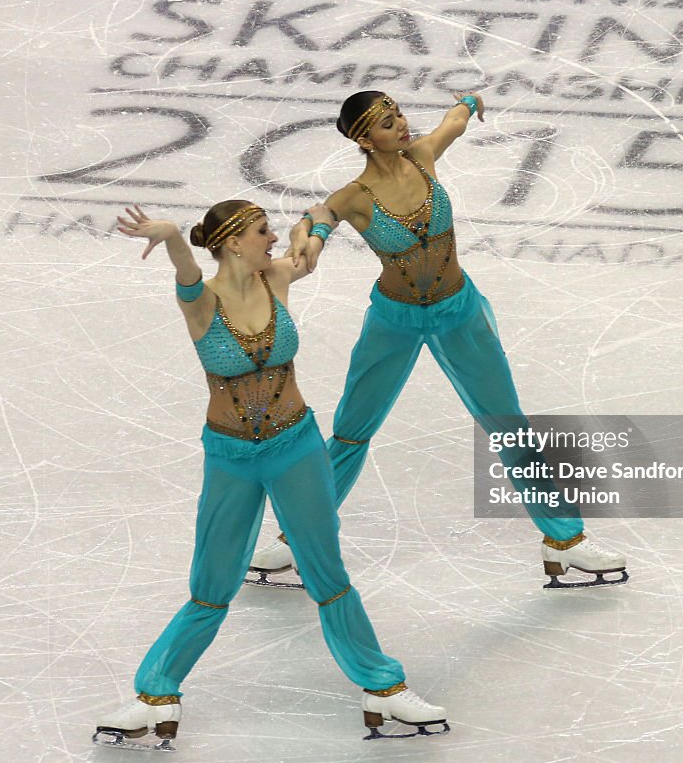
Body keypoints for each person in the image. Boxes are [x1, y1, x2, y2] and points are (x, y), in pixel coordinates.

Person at [93, 201, 448, 751]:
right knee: (210, 585)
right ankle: (154, 695)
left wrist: (318, 222)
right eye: (263, 231)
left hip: (296, 447)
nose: (272, 237)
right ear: (234, 242)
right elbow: (187, 275)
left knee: (327, 574)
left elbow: (308, 251)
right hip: (230, 458)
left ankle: (381, 686)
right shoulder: (202, 302)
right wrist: (169, 238)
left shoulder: (278, 275)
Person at [250, 93, 629, 590]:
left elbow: (453, 123)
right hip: (395, 322)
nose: (402, 125)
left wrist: (470, 103)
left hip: (458, 314)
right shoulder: (355, 197)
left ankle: (566, 540)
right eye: (388, 123)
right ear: (364, 139)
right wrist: (307, 236)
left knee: (509, 427)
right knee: (350, 433)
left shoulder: (423, 157)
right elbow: (319, 216)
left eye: (399, 114)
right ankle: (294, 540)